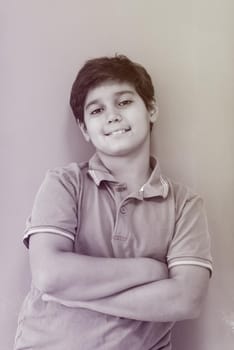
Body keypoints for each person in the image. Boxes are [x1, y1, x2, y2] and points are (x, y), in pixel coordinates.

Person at [14, 55, 212, 350]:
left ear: (151, 109)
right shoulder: (64, 183)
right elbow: (49, 273)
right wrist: (149, 270)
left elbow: (186, 300)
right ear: (84, 129)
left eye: (124, 102)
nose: (112, 116)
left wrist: (72, 292)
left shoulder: (185, 205)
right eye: (97, 110)